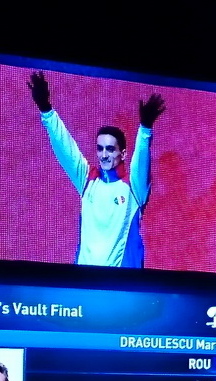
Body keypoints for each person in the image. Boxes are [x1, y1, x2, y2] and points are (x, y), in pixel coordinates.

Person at [28, 70, 165, 267]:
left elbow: (141, 161)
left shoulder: (134, 187)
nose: (104, 155)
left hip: (122, 282)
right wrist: (46, 110)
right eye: (100, 149)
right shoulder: (87, 180)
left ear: (123, 154)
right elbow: (65, 147)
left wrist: (145, 129)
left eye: (110, 149)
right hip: (84, 281)